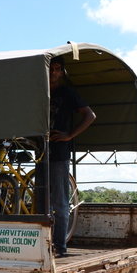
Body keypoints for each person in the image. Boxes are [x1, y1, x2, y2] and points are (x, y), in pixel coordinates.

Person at [48, 56, 96, 257]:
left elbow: (90, 116)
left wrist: (69, 135)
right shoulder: (39, 93)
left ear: (62, 72)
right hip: (40, 151)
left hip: (59, 153)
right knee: (42, 202)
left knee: (60, 202)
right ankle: (45, 243)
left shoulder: (67, 93)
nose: (53, 73)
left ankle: (60, 247)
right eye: (51, 69)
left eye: (58, 69)